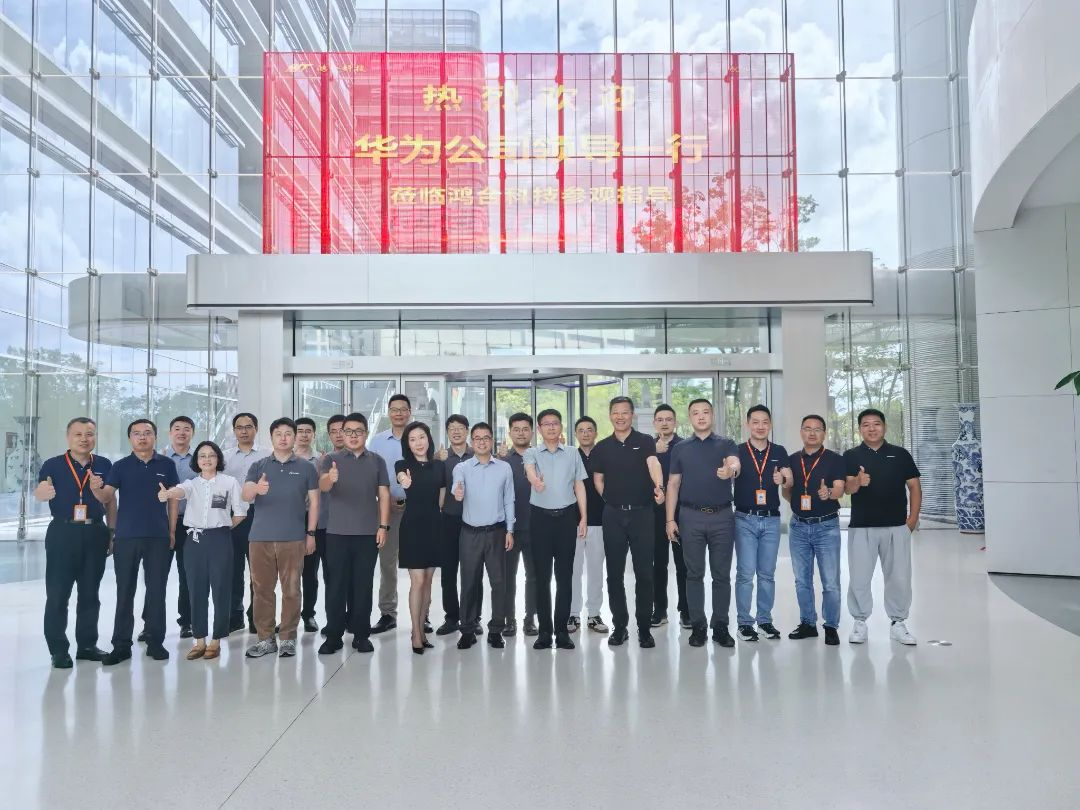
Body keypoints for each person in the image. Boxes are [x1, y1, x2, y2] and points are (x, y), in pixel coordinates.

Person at [95, 419, 180, 665]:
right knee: (125, 591)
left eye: (147, 433)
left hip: (158, 536)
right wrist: (95, 488)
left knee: (157, 591)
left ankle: (155, 641)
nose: (142, 437)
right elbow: (107, 496)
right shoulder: (120, 466)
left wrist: (171, 530)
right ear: (130, 438)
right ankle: (121, 645)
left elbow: (173, 499)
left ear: (155, 436)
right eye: (137, 433)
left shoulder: (167, 464)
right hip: (126, 537)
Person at [35, 417, 114, 668]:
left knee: (90, 593)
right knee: (58, 594)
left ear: (95, 437)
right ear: (68, 437)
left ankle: (87, 646)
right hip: (63, 532)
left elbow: (110, 500)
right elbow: (40, 490)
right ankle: (58, 650)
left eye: (89, 434)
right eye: (78, 434)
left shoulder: (104, 464)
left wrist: (111, 531)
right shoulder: (53, 464)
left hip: (95, 531)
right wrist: (41, 494)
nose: (84, 439)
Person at [158, 441, 247, 660]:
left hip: (220, 539)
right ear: (196, 461)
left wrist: (223, 528)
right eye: (202, 456)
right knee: (196, 589)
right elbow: (180, 491)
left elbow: (240, 512)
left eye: (211, 455)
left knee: (221, 589)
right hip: (194, 541)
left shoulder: (229, 482)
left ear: (218, 459)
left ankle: (216, 641)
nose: (207, 460)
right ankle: (199, 640)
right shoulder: (192, 483)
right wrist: (169, 493)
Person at [665, 399, 741, 648]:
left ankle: (720, 626)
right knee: (694, 574)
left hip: (722, 517)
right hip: (690, 517)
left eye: (705, 412)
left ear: (712, 416)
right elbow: (673, 484)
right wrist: (669, 519)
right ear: (689, 418)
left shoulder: (726, 443)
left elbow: (734, 463)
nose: (701, 416)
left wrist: (730, 471)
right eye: (695, 413)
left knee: (721, 575)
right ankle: (698, 625)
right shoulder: (681, 448)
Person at [241, 418, 318, 659]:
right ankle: (265, 639)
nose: (283, 438)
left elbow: (315, 502)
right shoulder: (259, 465)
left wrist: (311, 533)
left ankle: (287, 638)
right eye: (278, 434)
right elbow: (245, 495)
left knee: (292, 590)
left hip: (293, 538)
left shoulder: (307, 467)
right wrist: (256, 489)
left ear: (294, 438)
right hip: (260, 538)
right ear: (271, 437)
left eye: (288, 434)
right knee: (262, 590)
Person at [591, 396, 665, 649]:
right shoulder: (602, 447)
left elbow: (653, 463)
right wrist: (612, 500)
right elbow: (598, 479)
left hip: (642, 514)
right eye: (616, 412)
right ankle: (620, 627)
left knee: (645, 573)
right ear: (610, 415)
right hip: (613, 516)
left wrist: (658, 486)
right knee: (614, 574)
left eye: (625, 412)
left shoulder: (644, 441)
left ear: (632, 415)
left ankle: (644, 629)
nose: (620, 417)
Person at [844, 408, 922, 646]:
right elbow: (846, 489)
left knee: (899, 578)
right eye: (866, 424)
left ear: (884, 427)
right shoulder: (851, 455)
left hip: (896, 527)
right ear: (860, 429)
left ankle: (898, 623)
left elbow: (915, 487)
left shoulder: (900, 454)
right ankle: (859, 622)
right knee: (859, 578)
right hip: (861, 527)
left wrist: (911, 521)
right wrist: (858, 482)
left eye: (876, 424)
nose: (872, 428)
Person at [317, 413, 390, 655]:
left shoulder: (377, 461)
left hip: (367, 534)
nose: (353, 435)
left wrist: (383, 526)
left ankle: (361, 635)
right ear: (342, 434)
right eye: (348, 431)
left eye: (358, 431)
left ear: (365, 433)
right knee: (336, 586)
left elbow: (384, 495)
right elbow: (323, 486)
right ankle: (334, 636)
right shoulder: (331, 459)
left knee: (363, 586)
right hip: (336, 533)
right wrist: (330, 478)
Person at [523, 409, 587, 650]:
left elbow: (579, 485)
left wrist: (583, 516)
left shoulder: (572, 453)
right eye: (546, 424)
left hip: (567, 518)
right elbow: (529, 470)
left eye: (555, 423)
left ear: (561, 427)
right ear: (539, 429)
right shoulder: (532, 452)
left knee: (564, 577)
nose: (551, 427)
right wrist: (535, 481)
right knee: (542, 578)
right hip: (540, 519)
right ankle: (544, 632)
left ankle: (561, 632)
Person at [782, 414, 847, 646]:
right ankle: (808, 623)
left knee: (830, 581)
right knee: (802, 580)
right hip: (798, 526)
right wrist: (798, 505)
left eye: (817, 429)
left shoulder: (835, 459)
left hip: (826, 527)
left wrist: (828, 493)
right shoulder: (791, 460)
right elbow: (787, 492)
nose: (812, 433)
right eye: (807, 428)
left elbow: (840, 489)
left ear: (824, 434)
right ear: (801, 432)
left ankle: (831, 626)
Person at [452, 422, 515, 650]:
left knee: (499, 583)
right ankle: (467, 631)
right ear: (472, 441)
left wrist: (510, 530)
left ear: (492, 441)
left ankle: (496, 630)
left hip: (496, 533)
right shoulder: (462, 467)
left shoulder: (504, 468)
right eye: (477, 438)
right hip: (470, 534)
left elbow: (509, 499)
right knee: (469, 583)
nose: (481, 442)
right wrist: (458, 493)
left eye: (486, 437)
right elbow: (457, 487)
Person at [733, 404, 792, 642]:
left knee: (767, 574)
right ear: (748, 424)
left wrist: (784, 478)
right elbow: (731, 470)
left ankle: (765, 621)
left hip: (771, 520)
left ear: (770, 425)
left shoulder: (779, 451)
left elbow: (790, 480)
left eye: (765, 422)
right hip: (744, 519)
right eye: (755, 422)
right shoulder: (738, 450)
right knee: (746, 573)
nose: (760, 426)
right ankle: (744, 623)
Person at [394, 421, 446, 654]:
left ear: (428, 439)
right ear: (408, 443)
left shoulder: (439, 466)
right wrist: (403, 480)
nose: (418, 443)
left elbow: (441, 497)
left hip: (434, 527)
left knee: (427, 582)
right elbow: (400, 477)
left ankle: (423, 629)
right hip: (412, 527)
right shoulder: (403, 465)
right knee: (417, 581)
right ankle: (415, 632)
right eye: (412, 439)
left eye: (421, 437)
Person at [367, 393, 412, 633]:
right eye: (394, 409)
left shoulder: (419, 436)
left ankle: (423, 615)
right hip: (387, 510)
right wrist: (385, 499)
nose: (399, 413)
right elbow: (371, 475)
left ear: (409, 412)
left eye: (403, 409)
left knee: (420, 564)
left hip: (416, 509)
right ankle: (387, 613)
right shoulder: (377, 442)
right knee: (387, 563)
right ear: (388, 412)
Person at [151, 416, 196, 642]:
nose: (181, 433)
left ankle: (187, 621)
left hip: (189, 524)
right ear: (170, 433)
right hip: (161, 523)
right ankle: (150, 624)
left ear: (192, 434)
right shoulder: (157, 459)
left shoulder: (199, 460)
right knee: (156, 575)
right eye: (177, 429)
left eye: (186, 429)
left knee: (188, 575)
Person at [224, 413, 268, 633]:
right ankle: (234, 617)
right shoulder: (224, 457)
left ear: (256, 429)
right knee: (232, 570)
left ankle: (256, 618)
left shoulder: (267, 455)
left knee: (258, 572)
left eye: (248, 426)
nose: (243, 431)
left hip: (258, 516)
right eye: (239, 427)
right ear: (234, 430)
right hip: (232, 517)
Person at [500, 412, 538, 637]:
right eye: (516, 429)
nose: (521, 433)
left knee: (534, 577)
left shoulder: (540, 458)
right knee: (508, 577)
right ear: (510, 433)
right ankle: (509, 620)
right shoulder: (502, 461)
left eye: (525, 429)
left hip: (536, 528)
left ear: (531, 432)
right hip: (509, 530)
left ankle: (530, 619)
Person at [434, 414, 472, 635]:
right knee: (448, 571)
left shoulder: (477, 454)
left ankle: (472, 618)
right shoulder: (440, 457)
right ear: (447, 432)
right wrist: (435, 461)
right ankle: (451, 617)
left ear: (467, 430)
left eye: (460, 427)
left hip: (474, 521)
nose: (456, 431)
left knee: (472, 572)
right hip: (448, 519)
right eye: (452, 428)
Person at [571, 416, 608, 634]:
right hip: (573, 523)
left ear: (595, 433)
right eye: (581, 430)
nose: (585, 433)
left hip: (600, 522)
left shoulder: (604, 455)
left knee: (595, 570)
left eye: (589, 430)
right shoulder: (569, 456)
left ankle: (594, 614)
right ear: (576, 434)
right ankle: (573, 614)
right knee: (573, 571)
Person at [651, 403, 686, 628]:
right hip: (654, 513)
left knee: (683, 564)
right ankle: (660, 610)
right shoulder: (648, 447)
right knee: (658, 563)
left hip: (681, 513)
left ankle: (686, 610)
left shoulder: (684, 446)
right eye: (660, 419)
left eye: (668, 419)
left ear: (675, 422)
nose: (664, 423)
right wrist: (654, 452)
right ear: (654, 423)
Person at [318, 414, 347, 638]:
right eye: (334, 431)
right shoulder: (325, 460)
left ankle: (353, 618)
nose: (338, 435)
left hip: (353, 527)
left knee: (354, 577)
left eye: (342, 430)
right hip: (326, 526)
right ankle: (333, 621)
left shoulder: (363, 458)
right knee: (332, 577)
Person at [294, 416, 323, 633]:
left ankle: (309, 614)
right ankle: (289, 616)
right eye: (300, 431)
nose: (304, 435)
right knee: (289, 572)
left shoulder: (321, 460)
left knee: (310, 572)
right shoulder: (284, 457)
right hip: (289, 519)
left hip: (312, 518)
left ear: (314, 434)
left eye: (308, 431)